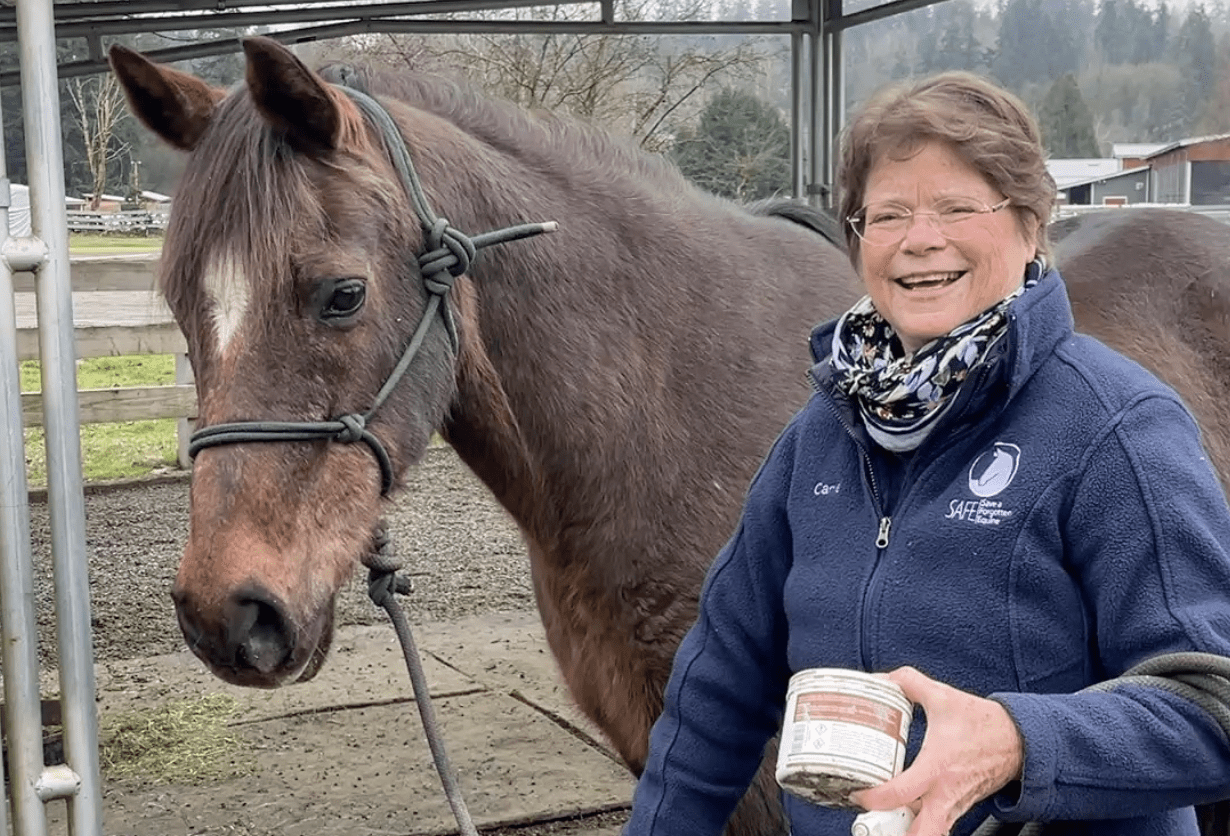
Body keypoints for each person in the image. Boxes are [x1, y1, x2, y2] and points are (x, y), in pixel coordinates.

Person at [622, 71, 1230, 836]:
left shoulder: (1117, 426)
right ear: (858, 239)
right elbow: (717, 689)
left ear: (1031, 224)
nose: (920, 238)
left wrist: (1018, 744)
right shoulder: (820, 436)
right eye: (890, 214)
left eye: (957, 207)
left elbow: (1214, 705)